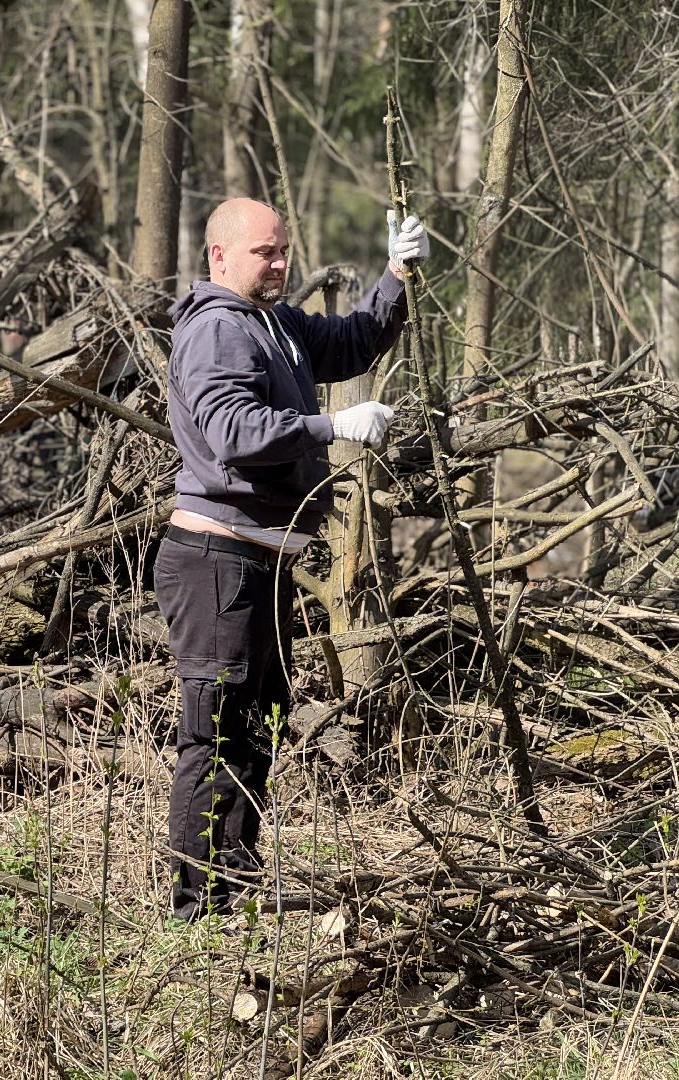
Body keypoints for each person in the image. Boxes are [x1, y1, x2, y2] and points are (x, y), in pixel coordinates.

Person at [155, 198, 429, 920]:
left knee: (255, 729)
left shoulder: (271, 322)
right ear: (219, 257)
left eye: (282, 251)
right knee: (214, 737)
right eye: (262, 254)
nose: (278, 264)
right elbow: (234, 431)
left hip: (258, 564)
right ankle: (195, 910)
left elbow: (347, 345)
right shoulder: (218, 329)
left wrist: (396, 275)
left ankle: (233, 892)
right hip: (218, 562)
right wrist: (330, 424)